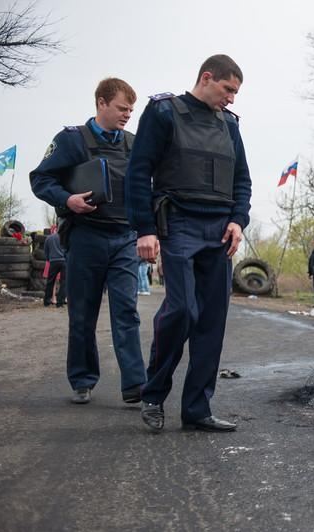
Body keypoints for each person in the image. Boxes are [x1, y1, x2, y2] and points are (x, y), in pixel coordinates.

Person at [126, 54, 251, 433]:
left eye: (236, 92)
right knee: (181, 311)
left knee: (211, 322)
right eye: (228, 89)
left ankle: (197, 410)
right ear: (207, 78)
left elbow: (242, 181)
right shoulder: (164, 112)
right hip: (177, 224)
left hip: (219, 233)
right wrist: (144, 229)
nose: (232, 99)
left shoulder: (230, 125)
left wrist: (237, 220)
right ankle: (153, 395)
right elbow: (138, 172)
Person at [29, 78, 146, 405]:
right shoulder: (71, 140)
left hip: (125, 238)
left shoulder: (134, 144)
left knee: (127, 311)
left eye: (131, 110)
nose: (127, 115)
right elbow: (40, 179)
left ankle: (136, 385)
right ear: (101, 103)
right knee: (82, 313)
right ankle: (82, 379)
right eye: (122, 108)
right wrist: (67, 200)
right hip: (86, 237)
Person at [42, 229, 66, 307]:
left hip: (53, 261)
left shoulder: (49, 238)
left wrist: (49, 259)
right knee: (64, 282)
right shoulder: (65, 237)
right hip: (64, 261)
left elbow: (45, 250)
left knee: (50, 281)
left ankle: (47, 301)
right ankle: (60, 302)